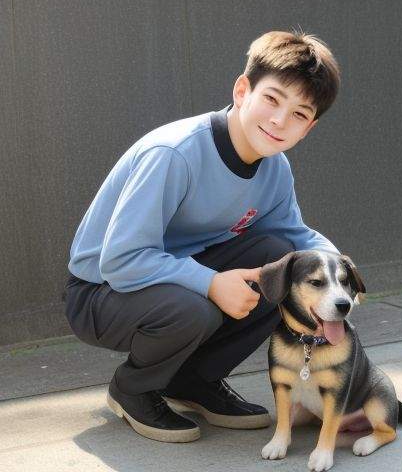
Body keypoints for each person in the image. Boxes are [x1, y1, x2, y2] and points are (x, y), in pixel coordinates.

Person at [63, 29, 342, 443]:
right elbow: (120, 261)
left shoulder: (275, 167)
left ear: (310, 127)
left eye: (299, 114)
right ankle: (133, 388)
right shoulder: (175, 154)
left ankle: (193, 381)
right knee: (196, 310)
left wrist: (340, 274)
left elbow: (292, 236)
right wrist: (211, 284)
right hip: (101, 293)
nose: (280, 121)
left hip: (173, 279)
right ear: (242, 89)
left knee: (282, 265)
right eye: (272, 99)